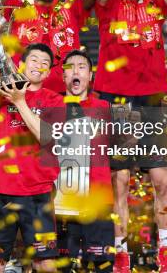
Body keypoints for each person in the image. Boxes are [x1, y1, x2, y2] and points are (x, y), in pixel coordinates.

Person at [94, 0, 167, 273]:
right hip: (115, 98)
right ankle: (121, 255)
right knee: (121, 181)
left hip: (154, 99)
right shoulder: (107, 4)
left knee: (163, 179)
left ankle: (165, 257)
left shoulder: (156, 5)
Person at [0, 42, 65, 273]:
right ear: (22, 63)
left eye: (45, 63)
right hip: (0, 188)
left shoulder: (54, 100)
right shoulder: (3, 93)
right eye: (34, 60)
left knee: (45, 264)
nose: (39, 65)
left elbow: (47, 136)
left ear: (49, 71)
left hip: (37, 192)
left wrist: (20, 101)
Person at [59, 49, 115, 272]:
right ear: (63, 75)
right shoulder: (51, 106)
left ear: (90, 76)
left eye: (81, 67)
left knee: (103, 265)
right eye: (70, 67)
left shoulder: (105, 109)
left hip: (98, 199)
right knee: (59, 265)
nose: (75, 71)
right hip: (61, 202)